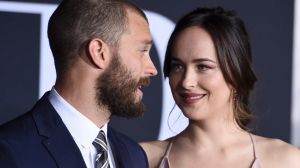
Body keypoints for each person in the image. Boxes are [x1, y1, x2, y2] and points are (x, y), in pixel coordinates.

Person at [0, 0, 157, 167]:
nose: (152, 69)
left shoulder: (134, 155)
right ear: (99, 53)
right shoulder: (10, 153)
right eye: (142, 51)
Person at [140, 7, 300, 168]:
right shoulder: (144, 158)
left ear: (236, 72)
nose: (186, 82)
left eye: (203, 67)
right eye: (177, 67)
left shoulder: (285, 160)